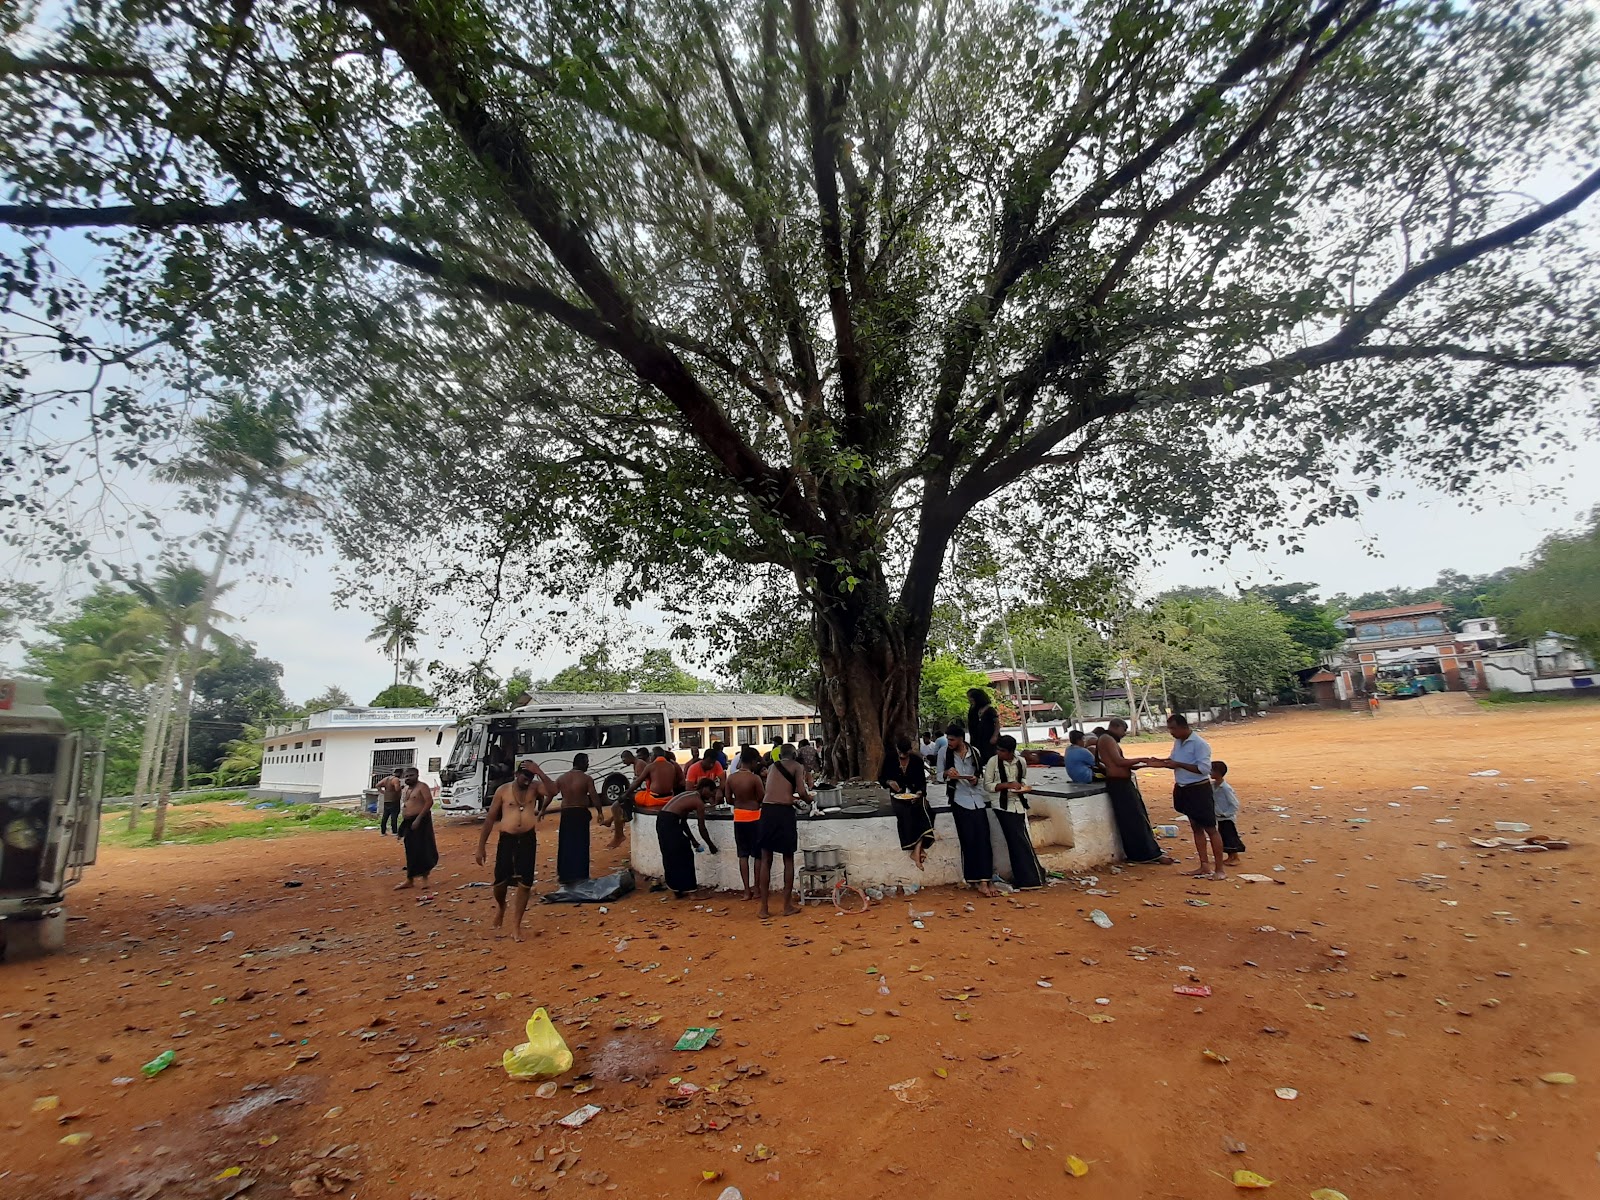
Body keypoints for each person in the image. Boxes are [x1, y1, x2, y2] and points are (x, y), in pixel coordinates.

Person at [1135, 713, 1224, 880]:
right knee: (1196, 828)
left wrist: (1177, 764)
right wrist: (1157, 762)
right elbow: (1173, 762)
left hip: (1199, 789)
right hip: (1184, 789)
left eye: (1173, 728)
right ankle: (1204, 865)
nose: (1171, 732)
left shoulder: (1199, 744)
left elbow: (1204, 769)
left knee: (1211, 829)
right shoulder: (1179, 742)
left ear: (1184, 727)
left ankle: (1219, 869)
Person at [474, 758, 544, 940]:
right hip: (507, 840)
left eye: (530, 776)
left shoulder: (535, 788)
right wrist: (481, 847)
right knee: (500, 883)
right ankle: (501, 906)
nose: (527, 779)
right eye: (524, 776)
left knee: (525, 883)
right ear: (516, 774)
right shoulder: (503, 791)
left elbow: (553, 790)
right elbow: (490, 818)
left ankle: (516, 926)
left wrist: (539, 771)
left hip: (527, 839)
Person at [1096, 719, 1176, 866]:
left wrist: (1139, 764)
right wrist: (1141, 759)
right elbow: (1119, 762)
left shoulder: (1107, 739)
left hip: (1121, 782)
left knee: (1135, 818)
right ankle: (1146, 854)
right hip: (1118, 784)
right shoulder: (1107, 739)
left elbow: (1119, 763)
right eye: (1123, 730)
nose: (1124, 733)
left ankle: (1144, 852)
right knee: (1135, 819)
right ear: (1116, 727)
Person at [938, 723, 996, 897]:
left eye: (952, 739)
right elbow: (939, 775)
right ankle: (974, 879)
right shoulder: (944, 753)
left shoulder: (975, 752)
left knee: (983, 838)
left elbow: (980, 774)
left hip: (977, 798)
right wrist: (948, 773)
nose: (949, 742)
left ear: (961, 739)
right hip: (959, 799)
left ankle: (986, 879)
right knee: (968, 839)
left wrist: (975, 779)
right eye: (948, 739)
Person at [983, 735, 1043, 890]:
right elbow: (988, 785)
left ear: (1010, 752)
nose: (999, 753)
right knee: (1017, 839)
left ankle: (1029, 877)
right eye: (998, 750)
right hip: (1001, 805)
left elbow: (1023, 779)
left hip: (1018, 804)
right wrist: (1006, 785)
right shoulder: (993, 762)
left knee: (1019, 840)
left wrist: (1022, 786)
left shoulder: (1021, 762)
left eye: (1002, 751)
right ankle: (1030, 877)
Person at [757, 743, 811, 918]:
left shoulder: (773, 766)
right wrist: (808, 799)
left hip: (767, 811)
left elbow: (772, 791)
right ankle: (786, 906)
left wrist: (791, 798)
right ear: (794, 754)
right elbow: (802, 792)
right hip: (783, 813)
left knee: (766, 858)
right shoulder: (797, 766)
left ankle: (764, 908)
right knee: (788, 858)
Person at [542, 753, 610, 885]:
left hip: (567, 813)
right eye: (587, 762)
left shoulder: (562, 778)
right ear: (582, 763)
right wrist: (600, 811)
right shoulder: (587, 779)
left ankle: (564, 875)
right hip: (580, 812)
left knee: (566, 843)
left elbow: (551, 794)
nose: (588, 764)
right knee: (581, 844)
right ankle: (581, 874)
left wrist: (543, 809)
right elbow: (594, 796)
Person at [879, 735, 934, 870]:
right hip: (897, 795)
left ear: (910, 750)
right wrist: (889, 782)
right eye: (900, 753)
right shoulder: (890, 759)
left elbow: (922, 782)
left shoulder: (916, 761)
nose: (903, 756)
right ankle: (917, 849)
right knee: (905, 812)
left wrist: (920, 792)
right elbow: (881, 778)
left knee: (924, 808)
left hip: (914, 794)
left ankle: (917, 849)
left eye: (906, 753)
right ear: (897, 750)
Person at [657, 779, 719, 897]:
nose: (712, 795)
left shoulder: (689, 795)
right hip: (670, 823)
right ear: (705, 788)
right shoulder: (698, 802)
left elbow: (683, 822)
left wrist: (693, 841)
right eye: (711, 791)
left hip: (663, 820)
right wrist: (711, 845)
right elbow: (702, 828)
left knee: (671, 855)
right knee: (686, 856)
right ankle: (691, 892)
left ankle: (677, 889)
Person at [726, 746, 766, 899]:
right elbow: (762, 797)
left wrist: (740, 801)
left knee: (743, 855)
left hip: (739, 817)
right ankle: (756, 889)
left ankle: (746, 891)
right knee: (757, 855)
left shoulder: (731, 778)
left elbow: (729, 799)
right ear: (753, 761)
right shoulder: (755, 778)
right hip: (754, 817)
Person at [394, 766, 439, 892]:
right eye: (406, 776)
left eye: (411, 776)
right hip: (408, 821)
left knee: (423, 849)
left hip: (421, 821)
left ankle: (425, 879)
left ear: (417, 775)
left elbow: (429, 802)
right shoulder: (406, 789)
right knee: (410, 850)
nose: (408, 778)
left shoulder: (422, 787)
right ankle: (410, 879)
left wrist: (418, 819)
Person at [1211, 759, 1245, 864]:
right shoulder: (1213, 785)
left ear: (1218, 773)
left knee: (1230, 837)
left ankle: (1235, 857)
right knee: (1224, 836)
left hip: (1227, 817)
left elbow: (1234, 803)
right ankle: (1230, 857)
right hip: (1219, 816)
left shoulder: (1225, 788)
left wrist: (1226, 813)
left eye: (1211, 771)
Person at [966, 688, 999, 766]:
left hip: (988, 737)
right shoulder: (972, 709)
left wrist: (995, 736)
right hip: (976, 737)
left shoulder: (989, 709)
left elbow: (997, 723)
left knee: (989, 757)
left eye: (970, 697)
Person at [377, 768, 404, 836]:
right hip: (394, 800)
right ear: (400, 773)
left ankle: (383, 832)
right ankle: (394, 831)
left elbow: (377, 785)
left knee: (385, 816)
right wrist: (402, 787)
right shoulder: (396, 780)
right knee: (394, 816)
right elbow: (397, 789)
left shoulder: (386, 779)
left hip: (386, 800)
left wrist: (382, 792)